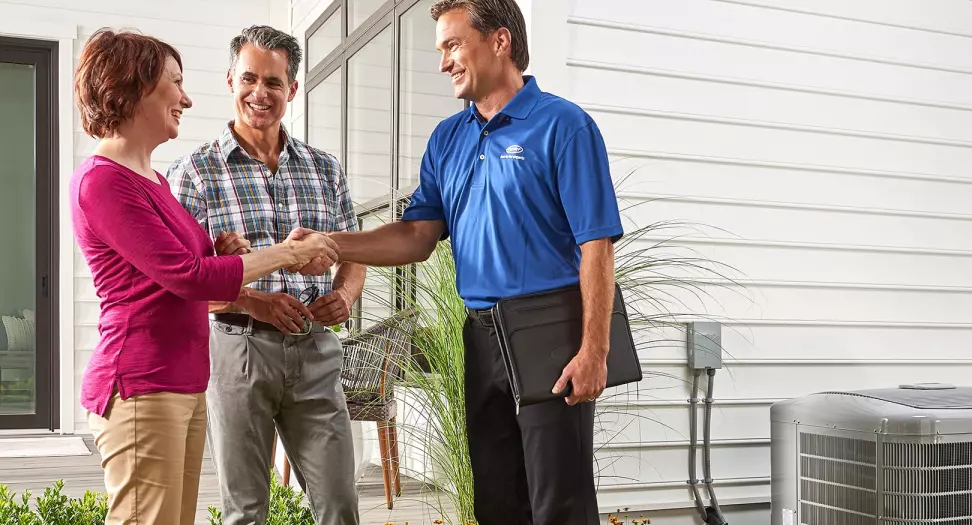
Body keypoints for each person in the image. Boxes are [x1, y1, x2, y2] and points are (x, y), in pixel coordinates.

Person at [295, 1, 624, 523]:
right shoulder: (448, 139)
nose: (443, 62)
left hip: (550, 330)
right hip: (481, 334)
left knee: (559, 503)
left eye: (452, 45)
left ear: (500, 41)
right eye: (440, 49)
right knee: (495, 497)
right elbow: (417, 236)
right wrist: (332, 242)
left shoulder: (564, 126)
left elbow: (597, 246)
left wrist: (594, 351)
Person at [70, 28, 340, 525]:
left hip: (181, 382)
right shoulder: (103, 181)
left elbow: (191, 263)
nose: (186, 98)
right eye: (174, 82)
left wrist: (221, 250)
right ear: (135, 86)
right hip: (141, 382)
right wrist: (283, 254)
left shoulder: (148, 178)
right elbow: (190, 278)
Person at [165, 25, 365, 525]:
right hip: (238, 350)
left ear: (292, 90)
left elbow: (354, 251)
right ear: (230, 79)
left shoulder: (325, 169)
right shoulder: (194, 173)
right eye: (249, 78)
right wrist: (253, 301)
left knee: (339, 504)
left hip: (316, 349)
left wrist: (344, 293)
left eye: (273, 82)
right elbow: (180, 285)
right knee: (245, 511)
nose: (260, 93)